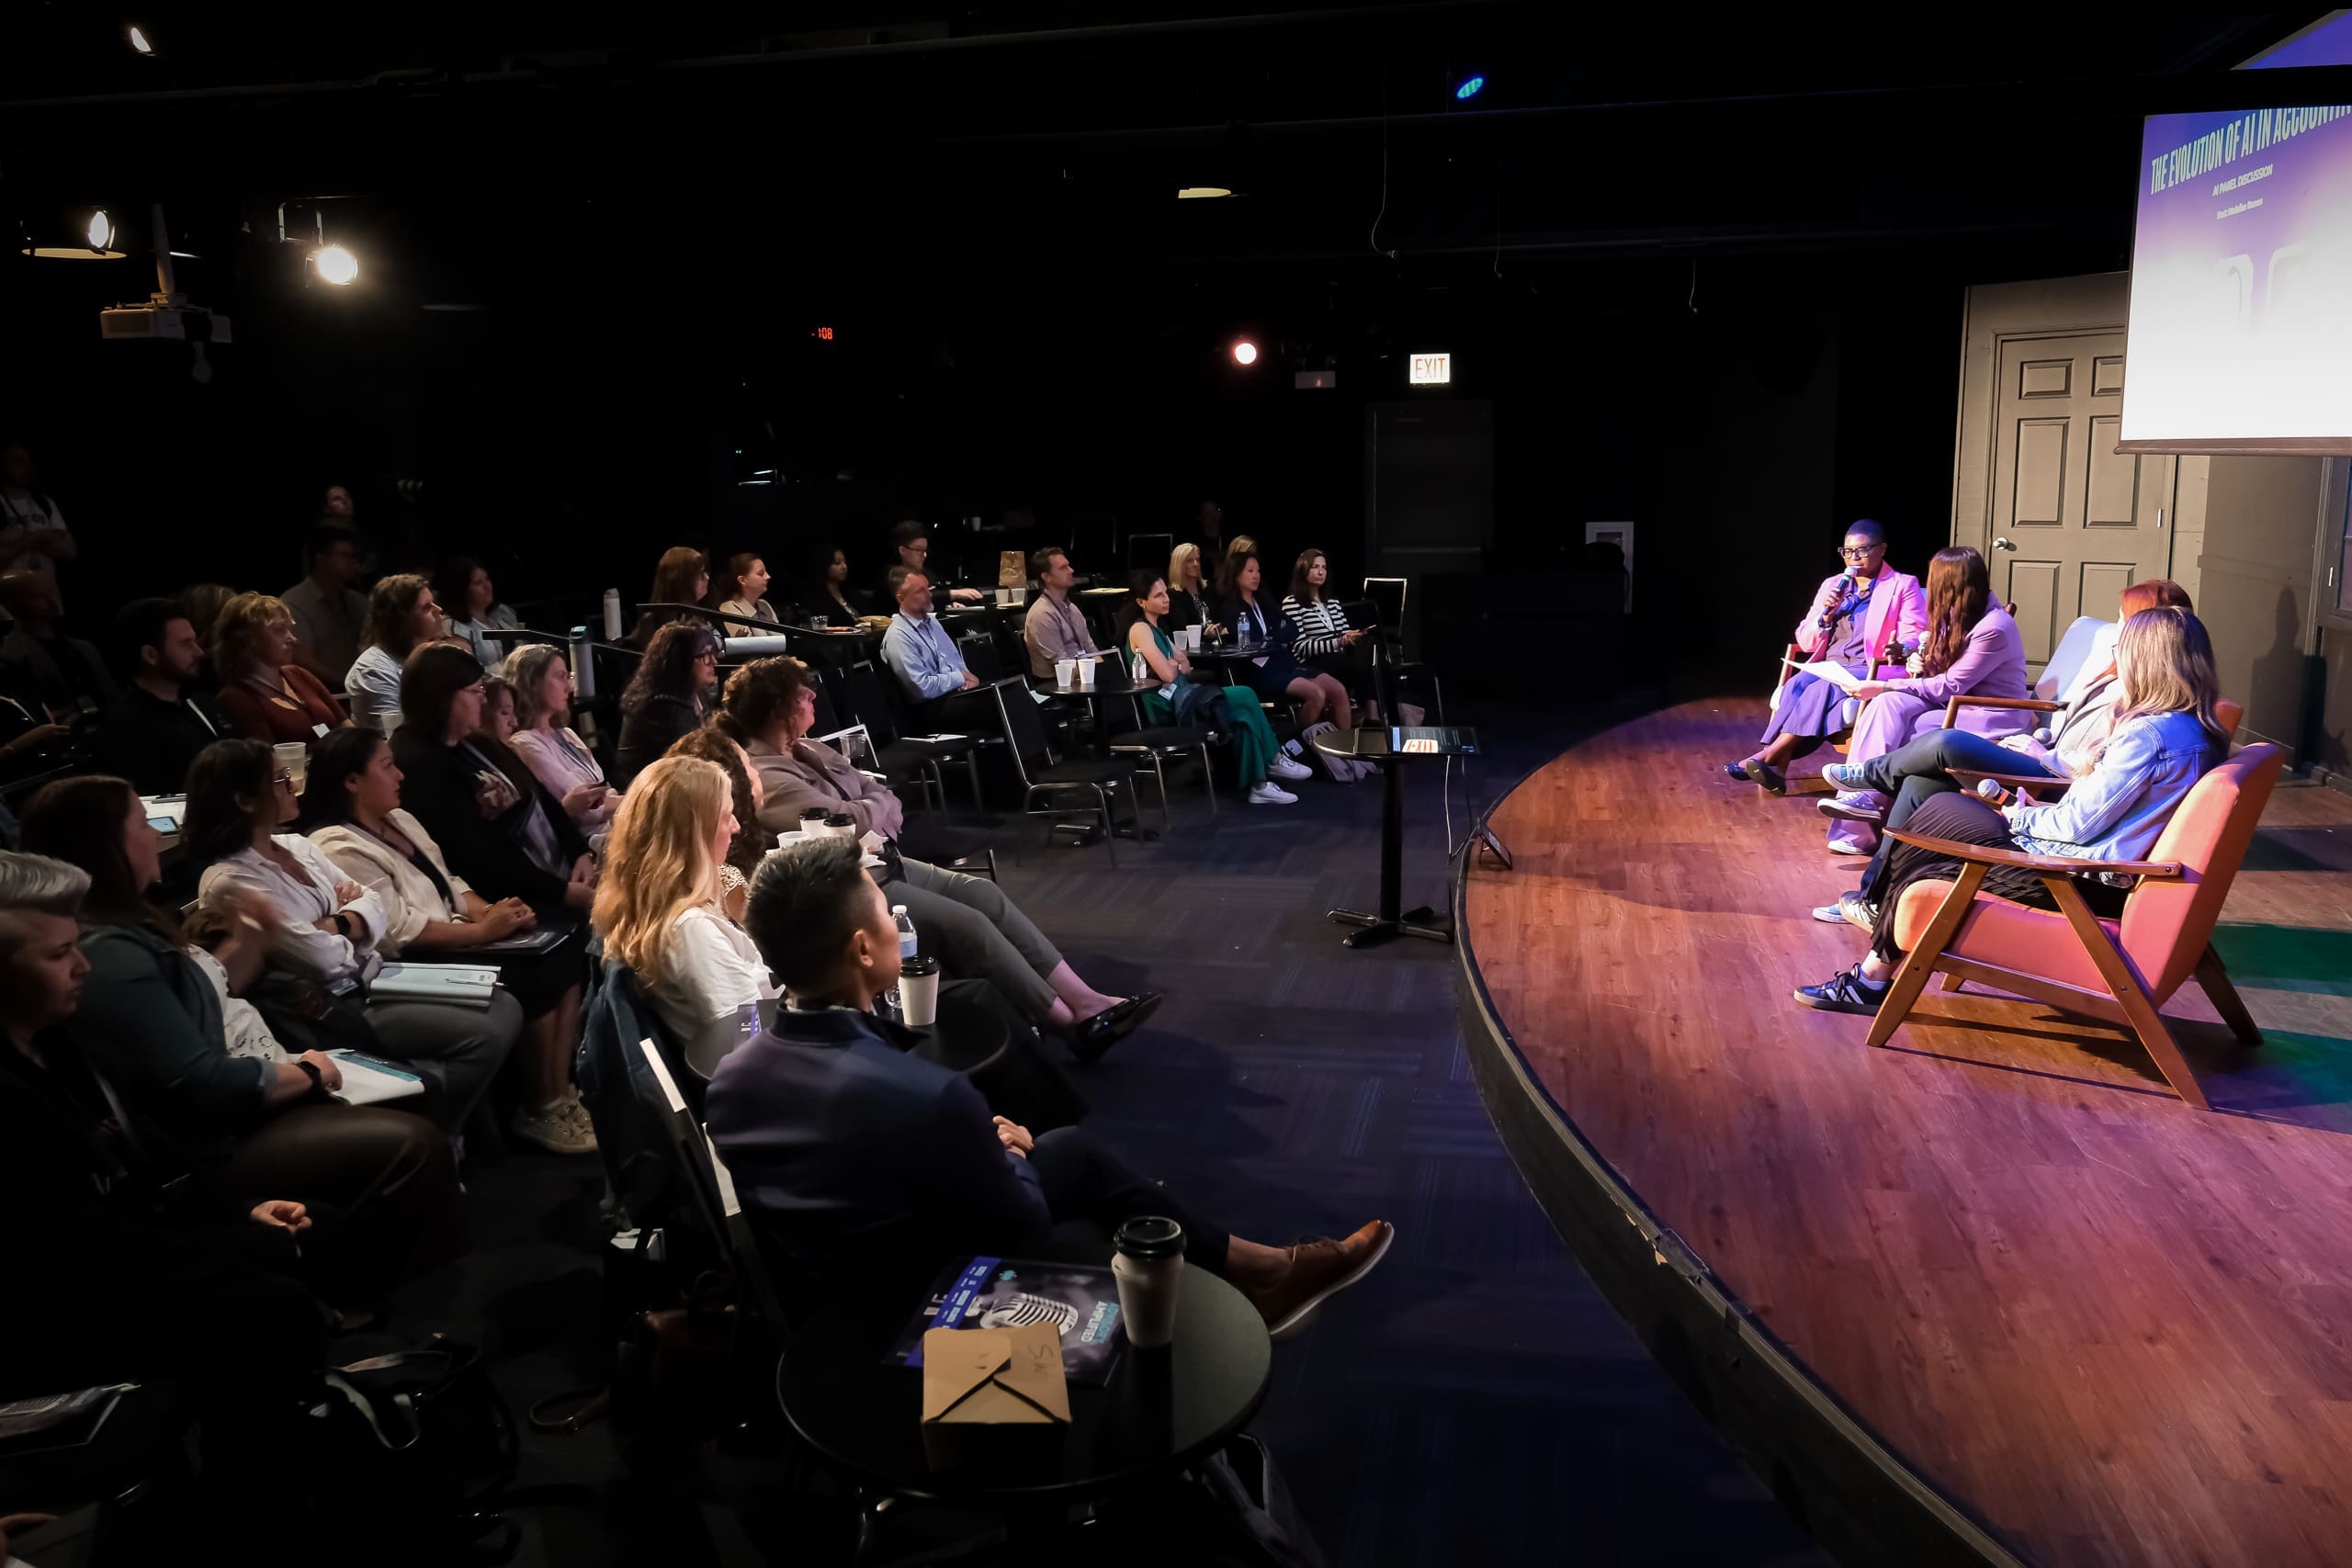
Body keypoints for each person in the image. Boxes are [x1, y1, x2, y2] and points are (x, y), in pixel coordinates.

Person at [707, 837, 1395, 1332]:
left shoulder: (730, 1085)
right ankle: (1250, 1285)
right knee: (1067, 1166)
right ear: (863, 948)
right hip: (921, 1301)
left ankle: (1263, 1270)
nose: (897, 923)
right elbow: (1023, 1222)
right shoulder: (929, 1096)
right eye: (887, 914)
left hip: (832, 1303)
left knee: (1074, 1152)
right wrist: (1007, 1151)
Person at [18, 785, 463, 1322]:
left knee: (419, 1092)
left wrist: (253, 934)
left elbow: (210, 995)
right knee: (410, 1142)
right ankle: (389, 1309)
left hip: (248, 1082)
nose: (159, 836)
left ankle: (386, 1290)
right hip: (221, 1131)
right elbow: (198, 1082)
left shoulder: (133, 922)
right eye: (143, 824)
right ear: (106, 845)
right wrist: (302, 1073)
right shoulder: (110, 951)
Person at [0, 850, 332, 1450]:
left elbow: (139, 1163)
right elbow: (77, 1248)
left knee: (308, 1228)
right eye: (57, 955)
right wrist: (230, 1241)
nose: (82, 966)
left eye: (77, 945)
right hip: (52, 1308)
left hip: (119, 1251)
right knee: (270, 1305)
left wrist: (237, 1215)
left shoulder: (55, 1042)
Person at [1797, 607, 2233, 1015]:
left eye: (2123, 650)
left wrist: (2016, 817)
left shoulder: (2151, 735)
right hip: (2094, 867)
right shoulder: (2195, 728)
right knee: (1933, 799)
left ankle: (1872, 969)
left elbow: (2076, 828)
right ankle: (1874, 961)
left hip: (2076, 880)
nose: (2118, 658)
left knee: (1938, 816)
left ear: (2147, 660)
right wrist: (2033, 808)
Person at [717, 656, 1163, 1055]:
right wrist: (876, 807)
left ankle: (1085, 998)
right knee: (966, 924)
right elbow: (853, 820)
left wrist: (874, 806)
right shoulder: (767, 774)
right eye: (802, 691)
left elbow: (877, 790)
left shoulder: (808, 746)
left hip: (884, 861)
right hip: (849, 887)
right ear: (779, 709)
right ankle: (1071, 1026)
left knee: (983, 894)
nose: (814, 694)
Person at [1810, 580, 2194, 931]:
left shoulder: (2146, 720)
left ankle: (1872, 783)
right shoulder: (2119, 682)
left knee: (1946, 744)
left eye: (2124, 620)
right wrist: (2043, 741)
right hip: (2050, 762)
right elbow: (2079, 734)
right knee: (1921, 781)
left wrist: (2026, 793)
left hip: (2055, 784)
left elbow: (2093, 781)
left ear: (2147, 637)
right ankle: (1871, 897)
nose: (2117, 631)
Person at [181, 739, 521, 1134]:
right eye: (279, 780)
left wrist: (339, 923)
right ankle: (435, 1132)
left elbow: (372, 900)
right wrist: (353, 920)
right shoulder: (231, 880)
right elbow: (320, 959)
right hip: (331, 1005)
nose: (293, 787)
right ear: (245, 800)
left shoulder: (296, 845)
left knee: (506, 1004)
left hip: (374, 973)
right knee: (486, 1033)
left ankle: (440, 1125)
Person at [302, 728, 593, 1156]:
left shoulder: (399, 819)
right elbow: (396, 929)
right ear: (351, 780)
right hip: (413, 958)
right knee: (535, 975)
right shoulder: (336, 845)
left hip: (456, 932)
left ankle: (559, 1093)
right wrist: (480, 932)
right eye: (387, 766)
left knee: (565, 946)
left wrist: (492, 913)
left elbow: (449, 882)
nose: (400, 774)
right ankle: (537, 1106)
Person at [1819, 545, 2029, 853]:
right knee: (1885, 707)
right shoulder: (1958, 615)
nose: (1929, 590)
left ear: (1951, 586)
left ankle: (1863, 808)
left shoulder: (1994, 627)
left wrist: (1886, 686)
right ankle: (1859, 806)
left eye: (1935, 583)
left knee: (1902, 721)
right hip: (1954, 705)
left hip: (1987, 715)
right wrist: (1920, 662)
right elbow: (1944, 673)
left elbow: (1952, 684)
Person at [390, 643, 598, 920]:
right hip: (516, 901)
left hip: (559, 876)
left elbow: (539, 795)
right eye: (475, 691)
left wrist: (579, 852)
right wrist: (564, 892)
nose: (483, 700)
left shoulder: (476, 740)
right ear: (443, 695)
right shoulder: (419, 762)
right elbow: (474, 855)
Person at [1726, 519, 1928, 795]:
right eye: (1847, 551)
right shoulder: (1833, 585)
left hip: (1872, 666)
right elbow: (1805, 640)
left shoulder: (1902, 585)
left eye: (1862, 550)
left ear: (1882, 549)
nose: (1854, 558)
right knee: (1797, 685)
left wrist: (1901, 647)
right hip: (1831, 661)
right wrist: (1825, 615)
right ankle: (1776, 771)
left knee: (1821, 688)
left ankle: (1767, 757)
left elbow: (1915, 633)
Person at [592, 755, 779, 1050]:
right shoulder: (692, 931)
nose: (736, 828)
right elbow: (748, 1038)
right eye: (725, 816)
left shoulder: (663, 906)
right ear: (694, 835)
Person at [1124, 572, 1306, 805]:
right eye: (1158, 596)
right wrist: (1172, 665)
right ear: (1141, 602)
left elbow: (1186, 666)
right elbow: (1169, 673)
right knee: (1246, 694)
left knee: (1243, 717)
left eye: (1165, 594)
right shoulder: (1140, 629)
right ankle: (1276, 759)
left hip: (1186, 697)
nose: (1166, 599)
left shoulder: (1158, 629)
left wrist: (1171, 664)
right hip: (1170, 708)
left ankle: (1259, 787)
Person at [91, 597, 230, 795]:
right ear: (150, 655)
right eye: (185, 644)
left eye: (195, 642)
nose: (199, 652)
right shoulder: (125, 729)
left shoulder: (202, 706)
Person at [1213, 549, 1350, 730]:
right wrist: (1276, 637)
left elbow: (1291, 628)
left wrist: (1271, 639)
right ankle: (1298, 745)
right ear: (1237, 575)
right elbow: (1253, 642)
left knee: (1338, 690)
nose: (1256, 576)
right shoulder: (1233, 608)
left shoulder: (1263, 599)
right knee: (1317, 694)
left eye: (1258, 571)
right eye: (1250, 571)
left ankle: (1344, 750)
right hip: (1262, 670)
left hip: (1285, 662)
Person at [212, 592, 350, 751]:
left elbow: (345, 724)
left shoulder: (298, 673)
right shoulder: (237, 697)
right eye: (279, 630)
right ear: (248, 640)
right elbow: (269, 761)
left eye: (290, 629)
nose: (293, 639)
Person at [501, 643, 616, 831]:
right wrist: (636, 800)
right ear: (532, 683)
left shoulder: (566, 733)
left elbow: (605, 792)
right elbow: (588, 813)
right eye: (560, 677)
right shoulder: (525, 743)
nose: (569, 687)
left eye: (567, 677)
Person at [616, 620, 719, 787]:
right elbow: (695, 760)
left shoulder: (698, 694)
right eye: (705, 655)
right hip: (650, 794)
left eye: (714, 653)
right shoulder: (661, 707)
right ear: (681, 661)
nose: (714, 661)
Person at [0, 568, 112, 716]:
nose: (53, 600)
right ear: (12, 604)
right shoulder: (11, 656)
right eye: (39, 596)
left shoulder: (84, 648)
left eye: (53, 590)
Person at [1282, 547, 1380, 716]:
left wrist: (1353, 635)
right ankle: (1369, 709)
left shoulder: (1332, 602)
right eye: (1315, 567)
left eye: (1324, 568)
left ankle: (1369, 709)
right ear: (1303, 570)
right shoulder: (1292, 603)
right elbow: (1300, 647)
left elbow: (1343, 632)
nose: (1321, 572)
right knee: (1352, 665)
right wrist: (1339, 642)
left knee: (1370, 647)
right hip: (1312, 662)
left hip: (1340, 656)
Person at [345, 573, 443, 729]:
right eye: (426, 607)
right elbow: (395, 734)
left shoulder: (432, 656)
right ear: (402, 619)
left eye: (434, 603)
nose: (439, 610)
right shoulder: (373, 669)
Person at [279, 522, 369, 689]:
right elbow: (301, 658)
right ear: (321, 559)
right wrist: (346, 683)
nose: (352, 562)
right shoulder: (294, 602)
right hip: (324, 694)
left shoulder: (358, 601)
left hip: (358, 690)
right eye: (344, 555)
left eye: (353, 556)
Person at [879, 566, 983, 707]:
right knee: (993, 703)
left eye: (927, 588)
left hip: (954, 693)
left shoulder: (933, 622)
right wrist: (960, 677)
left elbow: (955, 661)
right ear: (901, 598)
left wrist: (968, 679)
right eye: (920, 592)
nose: (929, 595)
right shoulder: (898, 635)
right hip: (930, 707)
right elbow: (922, 688)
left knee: (1003, 691)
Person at [0, 438, 76, 611]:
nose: (26, 467)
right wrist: (39, 538)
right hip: (9, 606)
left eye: (28, 461)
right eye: (18, 461)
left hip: (48, 603)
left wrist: (19, 539)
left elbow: (69, 550)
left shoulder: (44, 503)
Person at [435, 556, 522, 671]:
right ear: (462, 589)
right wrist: (510, 664)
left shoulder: (501, 614)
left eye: (487, 579)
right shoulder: (453, 628)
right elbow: (467, 671)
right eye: (478, 583)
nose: (487, 586)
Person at [1021, 545, 1094, 680]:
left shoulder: (1072, 609)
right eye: (1063, 568)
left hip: (1086, 675)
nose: (1071, 570)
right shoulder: (1042, 614)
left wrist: (1106, 670)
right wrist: (1096, 671)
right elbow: (1063, 664)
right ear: (1046, 577)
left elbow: (1091, 649)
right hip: (1059, 684)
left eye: (1068, 565)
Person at [628, 546, 710, 647]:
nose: (707, 577)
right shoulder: (652, 622)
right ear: (682, 580)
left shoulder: (694, 614)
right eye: (700, 573)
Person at [887, 520, 983, 604]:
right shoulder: (890, 573)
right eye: (919, 550)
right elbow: (912, 598)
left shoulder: (926, 573)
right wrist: (953, 594)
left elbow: (935, 597)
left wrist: (950, 604)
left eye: (925, 550)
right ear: (902, 550)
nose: (924, 555)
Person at [1164, 542, 1223, 638]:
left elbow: (1221, 616)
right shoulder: (1173, 596)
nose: (1195, 564)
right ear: (1179, 565)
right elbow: (1181, 629)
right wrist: (1205, 633)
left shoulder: (1208, 589)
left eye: (1197, 560)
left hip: (1217, 645)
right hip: (1192, 649)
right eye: (1190, 561)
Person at [712, 553, 779, 625]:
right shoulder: (729, 609)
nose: (768, 577)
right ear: (742, 580)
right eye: (761, 573)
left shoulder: (765, 605)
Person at [809, 545, 865, 626]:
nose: (844, 567)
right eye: (838, 563)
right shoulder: (818, 600)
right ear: (825, 566)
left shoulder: (852, 595)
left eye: (844, 562)